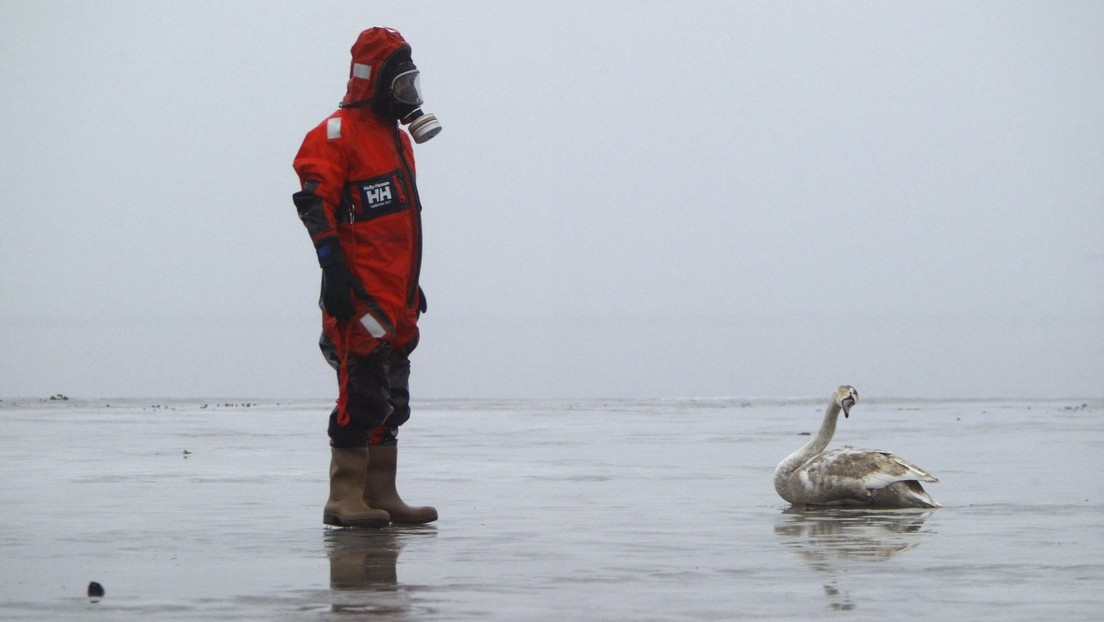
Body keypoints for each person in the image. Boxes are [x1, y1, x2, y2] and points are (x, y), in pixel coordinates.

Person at [292, 27, 442, 528]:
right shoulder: (334, 135)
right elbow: (315, 202)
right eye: (400, 83)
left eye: (411, 83)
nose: (409, 94)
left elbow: (401, 224)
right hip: (357, 296)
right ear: (375, 81)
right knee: (361, 392)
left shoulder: (398, 141)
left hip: (396, 296)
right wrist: (332, 270)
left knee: (392, 397)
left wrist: (410, 288)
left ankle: (382, 493)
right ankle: (344, 498)